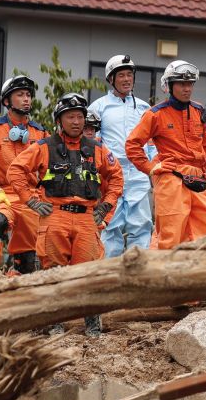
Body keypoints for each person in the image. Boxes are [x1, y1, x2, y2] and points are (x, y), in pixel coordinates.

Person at [8, 92, 123, 336]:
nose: (76, 121)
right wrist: (31, 201)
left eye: (80, 117)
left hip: (87, 218)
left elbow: (116, 178)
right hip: (54, 216)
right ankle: (54, 324)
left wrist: (106, 207)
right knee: (53, 272)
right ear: (60, 120)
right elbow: (15, 171)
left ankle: (92, 327)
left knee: (88, 274)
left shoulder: (98, 149)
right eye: (70, 117)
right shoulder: (43, 147)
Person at [125, 60, 206, 249]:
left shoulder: (201, 112)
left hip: (198, 180)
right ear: (169, 86)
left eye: (190, 84)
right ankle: (158, 277)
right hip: (171, 179)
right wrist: (151, 168)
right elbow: (132, 145)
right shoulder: (155, 114)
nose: (187, 88)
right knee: (170, 239)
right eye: (181, 84)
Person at [0, 74, 49, 281]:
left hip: (31, 197)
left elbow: (47, 169)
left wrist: (45, 196)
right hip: (3, 193)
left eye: (28, 95)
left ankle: (18, 274)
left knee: (27, 258)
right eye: (20, 95)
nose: (26, 99)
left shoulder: (40, 132)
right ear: (7, 101)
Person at [87, 54, 154, 257]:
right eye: (121, 75)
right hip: (110, 174)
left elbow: (152, 145)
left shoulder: (144, 108)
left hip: (138, 174)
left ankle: (139, 272)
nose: (127, 79)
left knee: (142, 225)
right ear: (111, 79)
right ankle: (108, 273)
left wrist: (153, 169)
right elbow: (91, 143)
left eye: (129, 75)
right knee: (110, 224)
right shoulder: (98, 107)